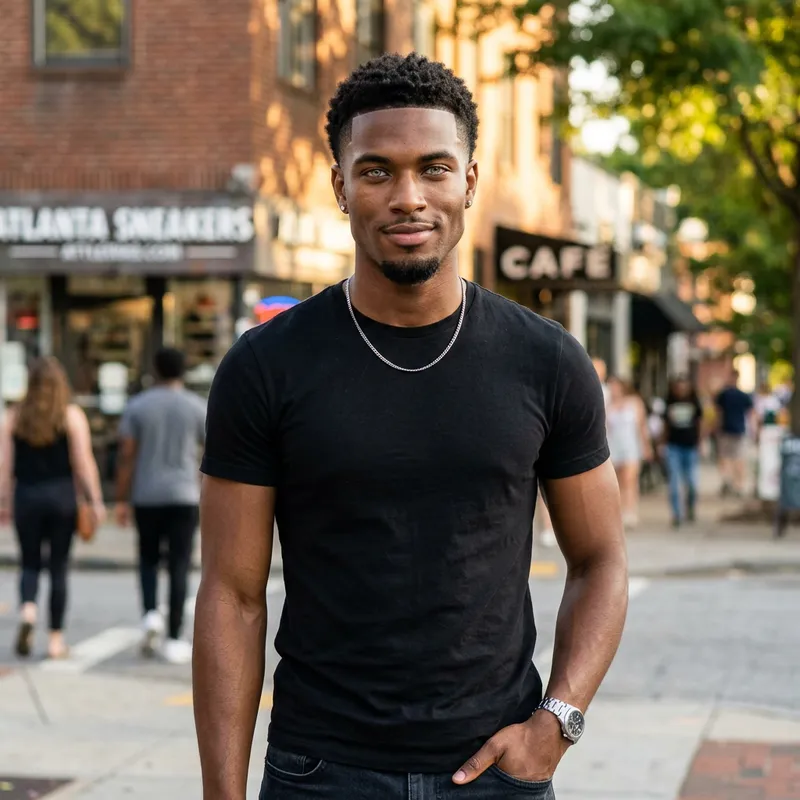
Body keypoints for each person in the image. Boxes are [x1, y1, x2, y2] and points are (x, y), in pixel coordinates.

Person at [194, 53, 629, 800]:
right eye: (376, 172)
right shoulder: (266, 366)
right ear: (340, 186)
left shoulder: (546, 360)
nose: (408, 197)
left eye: (433, 168)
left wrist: (556, 723)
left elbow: (602, 562)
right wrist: (222, 795)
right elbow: (231, 596)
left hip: (498, 771)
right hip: (318, 771)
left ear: (469, 179)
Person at [0, 357, 105, 659]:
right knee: (58, 568)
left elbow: (6, 466)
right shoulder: (70, 415)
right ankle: (56, 640)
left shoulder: (14, 416)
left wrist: (4, 501)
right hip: (61, 498)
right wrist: (95, 501)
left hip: (27, 497)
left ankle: (28, 611)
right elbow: (83, 463)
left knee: (29, 562)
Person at [115, 347, 206, 665]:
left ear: (155, 369)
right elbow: (214, 452)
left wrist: (121, 499)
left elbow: (127, 456)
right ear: (183, 371)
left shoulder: (138, 406)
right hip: (183, 495)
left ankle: (150, 614)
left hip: (147, 495)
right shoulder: (196, 407)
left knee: (148, 559)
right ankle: (173, 636)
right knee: (180, 564)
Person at [606, 377, 651, 528]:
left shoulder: (634, 402)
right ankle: (619, 512)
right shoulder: (607, 404)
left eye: (616, 386)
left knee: (630, 480)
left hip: (631, 446)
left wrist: (646, 446)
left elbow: (642, 426)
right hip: (613, 447)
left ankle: (630, 511)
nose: (613, 389)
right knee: (616, 483)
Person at [662, 377, 703, 528]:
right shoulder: (669, 403)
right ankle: (676, 514)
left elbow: (700, 423)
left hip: (690, 447)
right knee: (674, 482)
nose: (681, 390)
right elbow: (665, 424)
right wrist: (662, 444)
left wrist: (701, 441)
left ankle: (690, 506)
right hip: (673, 446)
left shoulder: (694, 402)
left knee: (692, 482)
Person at [714, 370, 754, 497]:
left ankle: (732, 483)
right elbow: (751, 413)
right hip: (734, 430)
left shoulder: (724, 395)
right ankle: (735, 484)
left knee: (731, 458)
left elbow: (717, 413)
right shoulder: (742, 395)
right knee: (734, 458)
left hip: (732, 430)